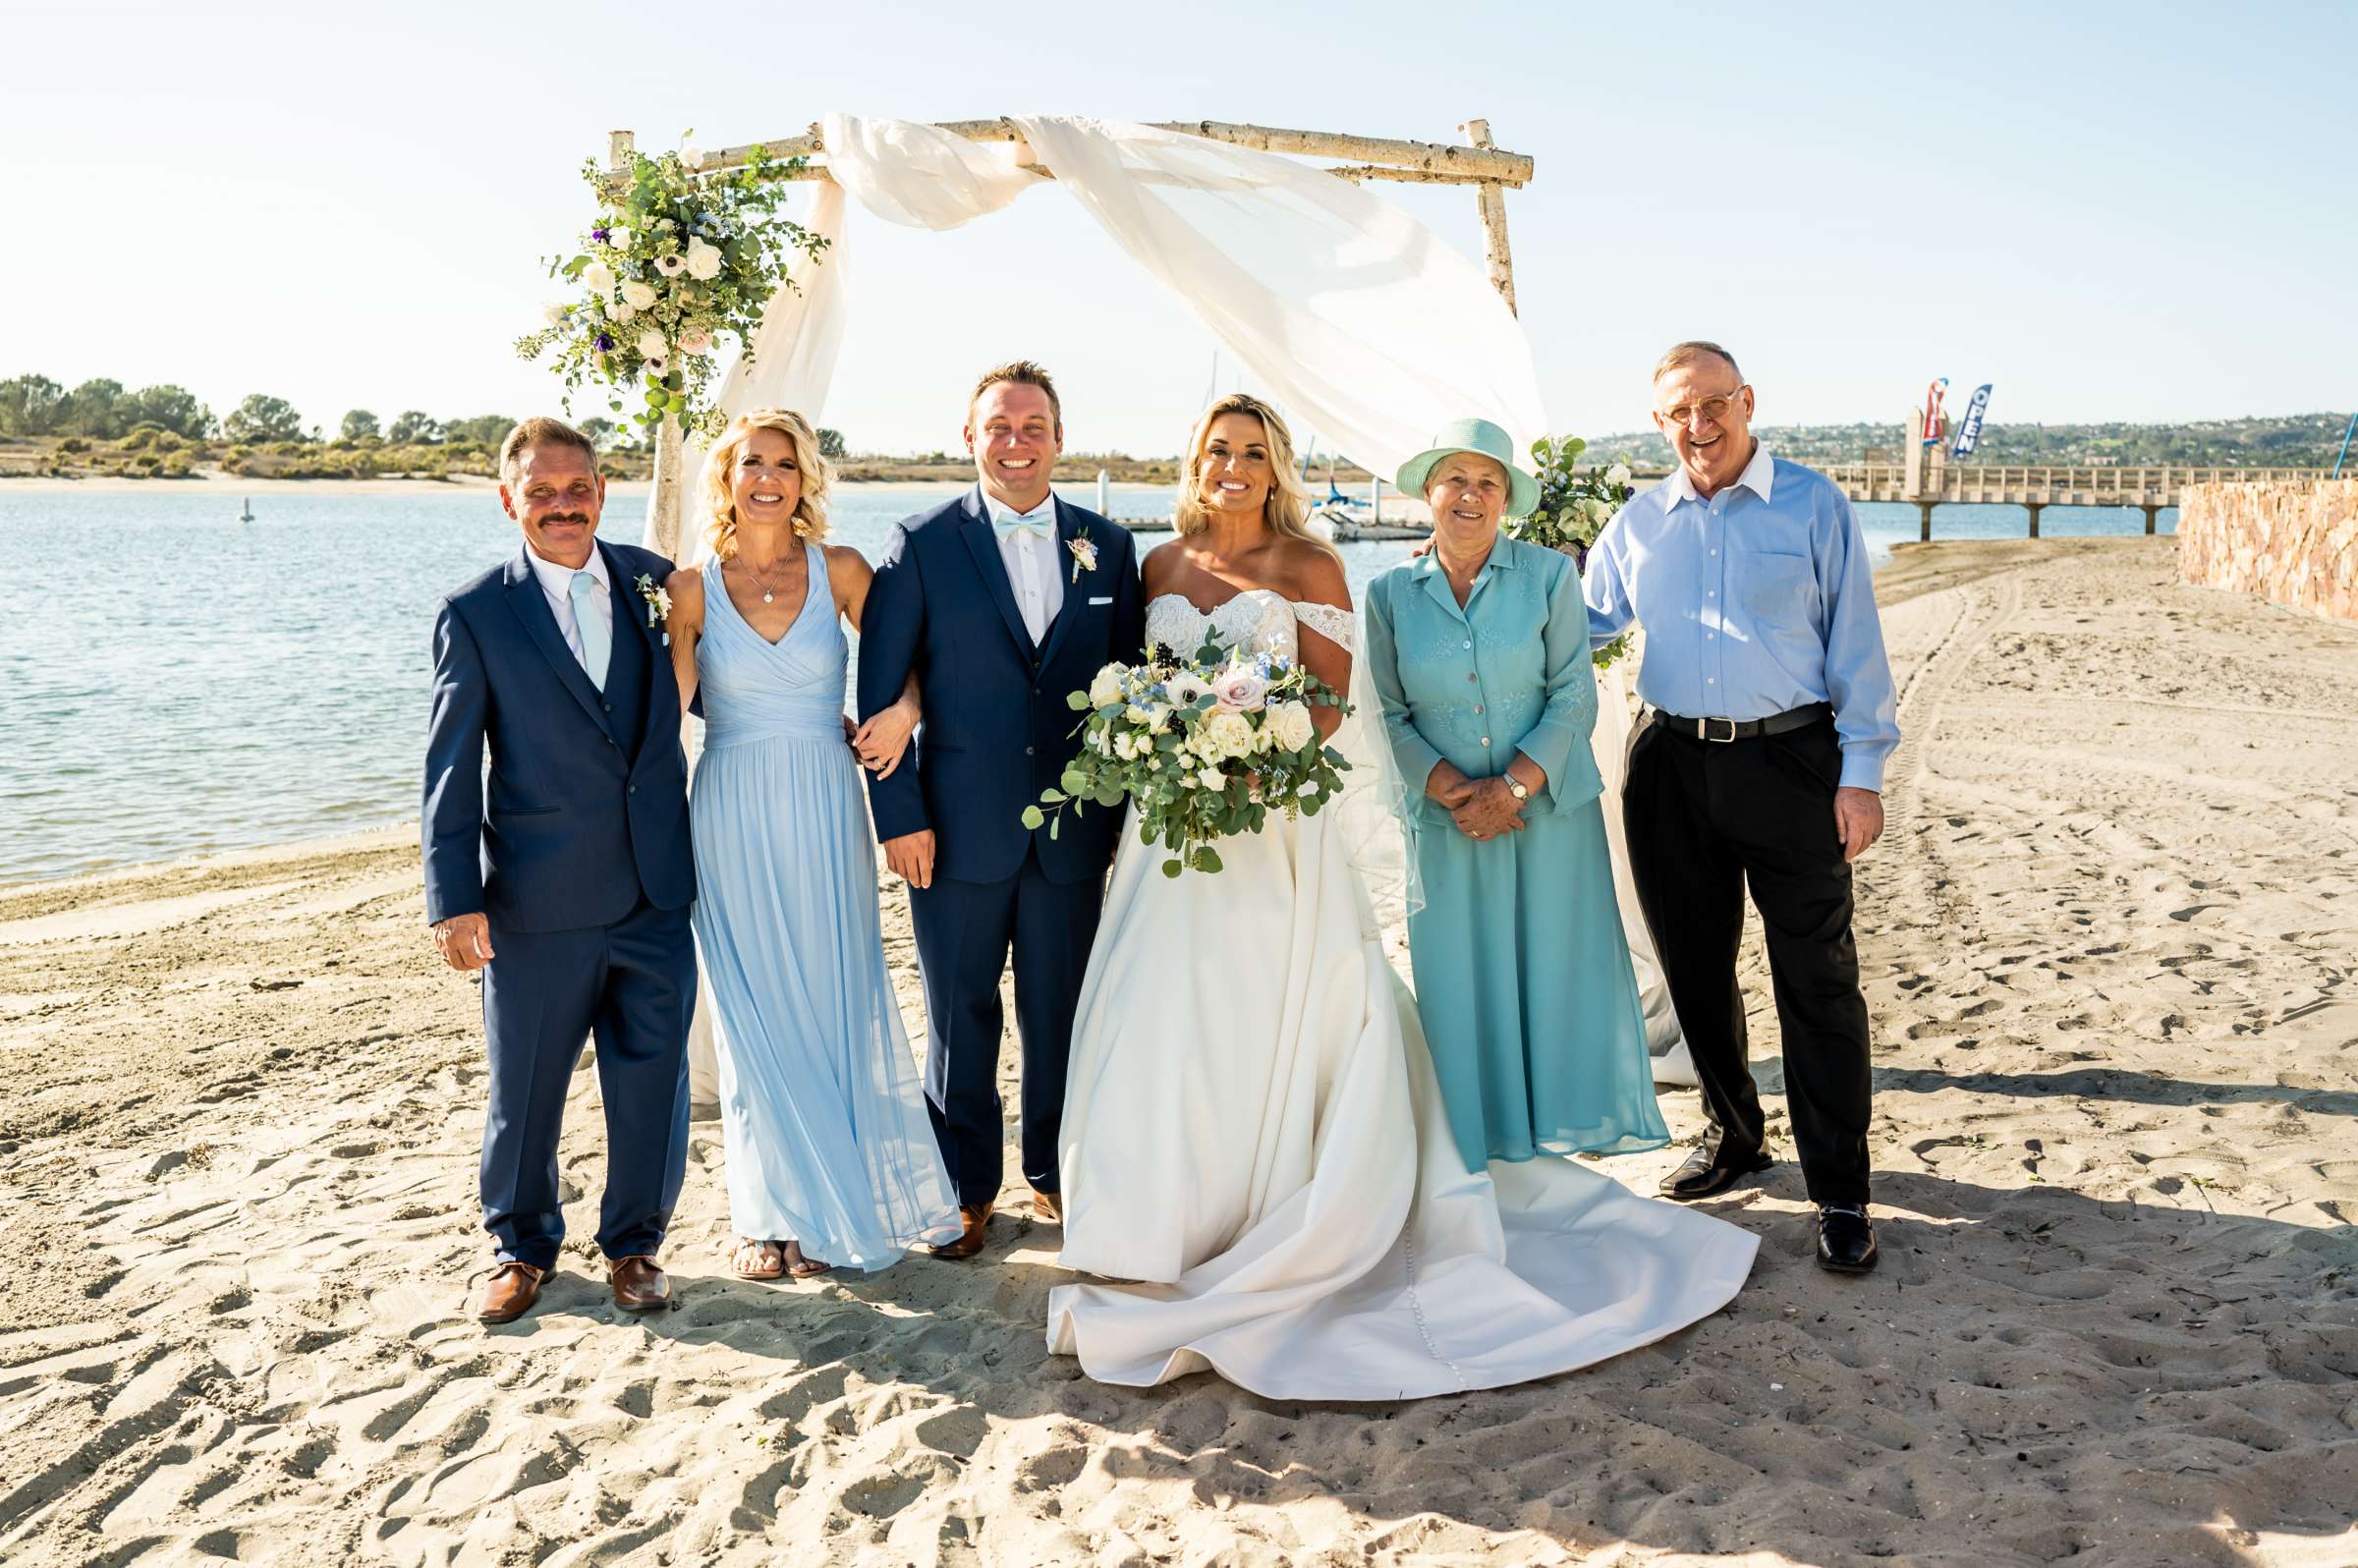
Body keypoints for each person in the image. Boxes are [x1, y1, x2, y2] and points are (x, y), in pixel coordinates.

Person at [1047, 395, 1757, 1400]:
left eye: (1254, 452)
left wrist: (1254, 751)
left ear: (1278, 466)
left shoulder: (1313, 566)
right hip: (1173, 838)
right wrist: (1170, 744)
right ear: (1195, 463)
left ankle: (1293, 1200)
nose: (1235, 467)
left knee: (1282, 1011)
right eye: (1219, 451)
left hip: (1272, 829)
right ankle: (1161, 1218)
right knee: (1161, 1016)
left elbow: (1337, 707)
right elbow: (1138, 682)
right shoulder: (1157, 567)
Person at [1583, 341, 1900, 1274]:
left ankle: (1840, 1188)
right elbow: (1579, 620)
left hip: (1796, 761)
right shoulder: (1638, 522)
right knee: (1693, 969)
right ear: (1659, 423)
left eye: (1713, 404)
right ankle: (1734, 1134)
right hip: (1671, 766)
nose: (1699, 425)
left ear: (1747, 402)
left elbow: (1857, 641)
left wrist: (1863, 773)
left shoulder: (1813, 504)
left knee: (1819, 978)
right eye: (1679, 412)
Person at [854, 362, 1148, 1258]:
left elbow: (1133, 686)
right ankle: (965, 1186)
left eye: (1032, 426)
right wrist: (898, 817)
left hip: (1072, 836)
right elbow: (881, 692)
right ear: (969, 437)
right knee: (960, 1014)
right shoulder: (920, 542)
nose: (1015, 442)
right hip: (953, 832)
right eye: (999, 427)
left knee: (1059, 1011)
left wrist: (1125, 822)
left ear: (1060, 438)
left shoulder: (1109, 544)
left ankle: (1056, 1172)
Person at [661, 408, 960, 1280]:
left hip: (829, 803)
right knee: (753, 1014)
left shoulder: (843, 572)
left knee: (832, 996)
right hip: (731, 807)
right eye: (752, 462)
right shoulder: (688, 591)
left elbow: (915, 656)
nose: (768, 478)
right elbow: (662, 716)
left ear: (804, 481)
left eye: (785, 465)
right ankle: (766, 1218)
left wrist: (903, 712)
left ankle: (839, 1196)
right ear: (727, 478)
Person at [422, 418, 695, 1324]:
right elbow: (452, 767)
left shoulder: (657, 584)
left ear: (602, 492)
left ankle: (636, 1245)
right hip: (537, 897)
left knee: (650, 1080)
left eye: (577, 488)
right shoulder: (477, 612)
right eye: (541, 492)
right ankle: (520, 1246)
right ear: (510, 501)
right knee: (527, 1086)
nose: (563, 505)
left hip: (657, 885)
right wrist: (454, 900)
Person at [1363, 418, 1667, 1175]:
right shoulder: (1387, 593)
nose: (1470, 495)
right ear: (1428, 491)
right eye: (1455, 480)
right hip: (1444, 822)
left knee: (1557, 965)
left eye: (1487, 483)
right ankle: (1476, 1137)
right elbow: (1386, 715)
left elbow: (1573, 695)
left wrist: (1512, 787)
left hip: (1549, 814)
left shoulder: (1549, 576)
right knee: (1460, 976)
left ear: (1505, 500)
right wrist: (1457, 792)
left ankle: (1562, 1130)